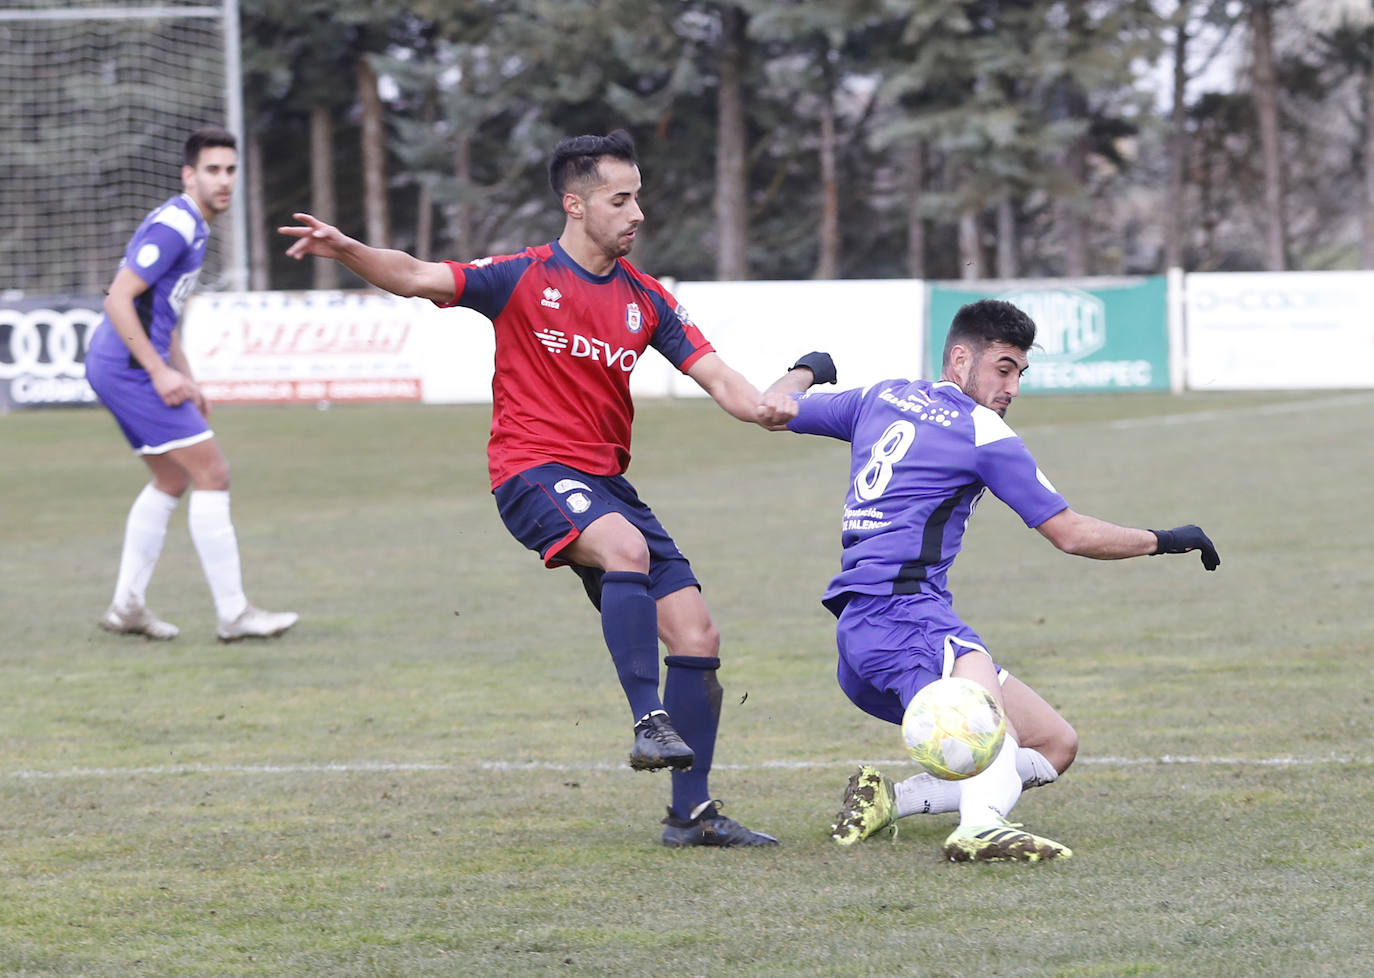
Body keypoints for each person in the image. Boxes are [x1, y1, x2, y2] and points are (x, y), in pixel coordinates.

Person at [278, 128, 834, 848]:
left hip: (605, 484)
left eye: (639, 197)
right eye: (620, 199)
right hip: (531, 472)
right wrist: (349, 249)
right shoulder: (519, 276)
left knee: (698, 636)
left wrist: (796, 380)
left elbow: (735, 392)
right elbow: (418, 275)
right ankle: (646, 719)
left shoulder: (648, 300)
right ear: (576, 204)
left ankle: (690, 815)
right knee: (625, 547)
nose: (638, 213)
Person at [767, 298, 1219, 863]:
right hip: (906, 617)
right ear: (960, 359)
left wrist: (807, 368)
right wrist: (1165, 538)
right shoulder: (982, 431)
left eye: (1020, 373)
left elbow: (772, 405)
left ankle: (887, 799)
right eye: (1003, 368)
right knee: (991, 728)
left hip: (868, 631)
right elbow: (1071, 533)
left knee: (1055, 745)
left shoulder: (879, 396)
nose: (1013, 387)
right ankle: (980, 827)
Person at [85, 126, 299, 643]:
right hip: (129, 368)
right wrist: (159, 372)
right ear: (190, 175)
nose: (224, 180)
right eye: (213, 170)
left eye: (230, 170)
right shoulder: (177, 225)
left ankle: (127, 607)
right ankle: (234, 614)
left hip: (121, 365)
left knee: (172, 479)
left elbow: (164, 312)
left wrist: (186, 374)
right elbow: (118, 298)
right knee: (214, 473)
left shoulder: (195, 225)